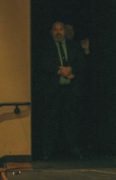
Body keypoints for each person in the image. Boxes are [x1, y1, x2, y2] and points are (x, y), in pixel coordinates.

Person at [38, 21, 86, 160]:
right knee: (51, 121)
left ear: (65, 31)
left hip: (71, 90)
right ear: (51, 32)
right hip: (53, 91)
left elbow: (81, 62)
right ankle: (48, 151)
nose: (58, 32)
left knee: (72, 120)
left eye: (61, 29)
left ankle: (73, 150)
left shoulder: (74, 47)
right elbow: (43, 64)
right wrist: (60, 71)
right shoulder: (46, 48)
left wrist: (71, 69)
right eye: (55, 30)